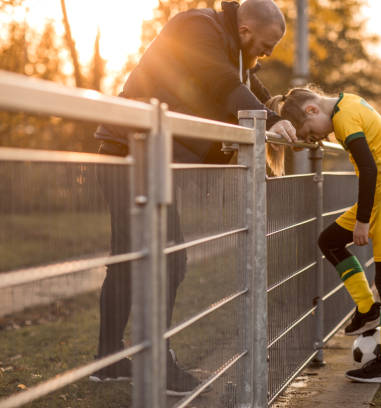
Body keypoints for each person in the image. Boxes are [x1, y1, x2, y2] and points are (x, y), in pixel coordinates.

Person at [90, 0, 297, 396]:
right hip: (128, 152)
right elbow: (221, 84)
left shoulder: (232, 51)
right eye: (267, 44)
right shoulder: (196, 28)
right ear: (246, 30)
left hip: (143, 155)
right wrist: (270, 122)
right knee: (167, 258)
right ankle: (153, 361)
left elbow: (255, 91)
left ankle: (109, 360)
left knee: (132, 259)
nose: (268, 54)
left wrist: (291, 116)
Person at [269, 88, 381, 384]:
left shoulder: (345, 116)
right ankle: (367, 309)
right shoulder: (344, 105)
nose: (319, 139)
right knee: (330, 240)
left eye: (312, 133)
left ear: (312, 110)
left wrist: (363, 220)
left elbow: (369, 168)